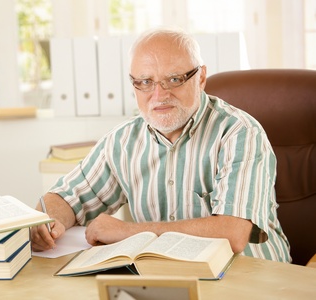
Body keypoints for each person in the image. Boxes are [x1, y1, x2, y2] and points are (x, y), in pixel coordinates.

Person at [31, 28, 291, 263]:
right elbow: (65, 198)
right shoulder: (123, 140)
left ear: (200, 77)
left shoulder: (239, 132)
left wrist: (128, 232)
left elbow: (233, 233)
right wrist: (45, 222)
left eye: (174, 79)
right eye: (145, 82)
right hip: (166, 277)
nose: (159, 95)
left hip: (250, 277)